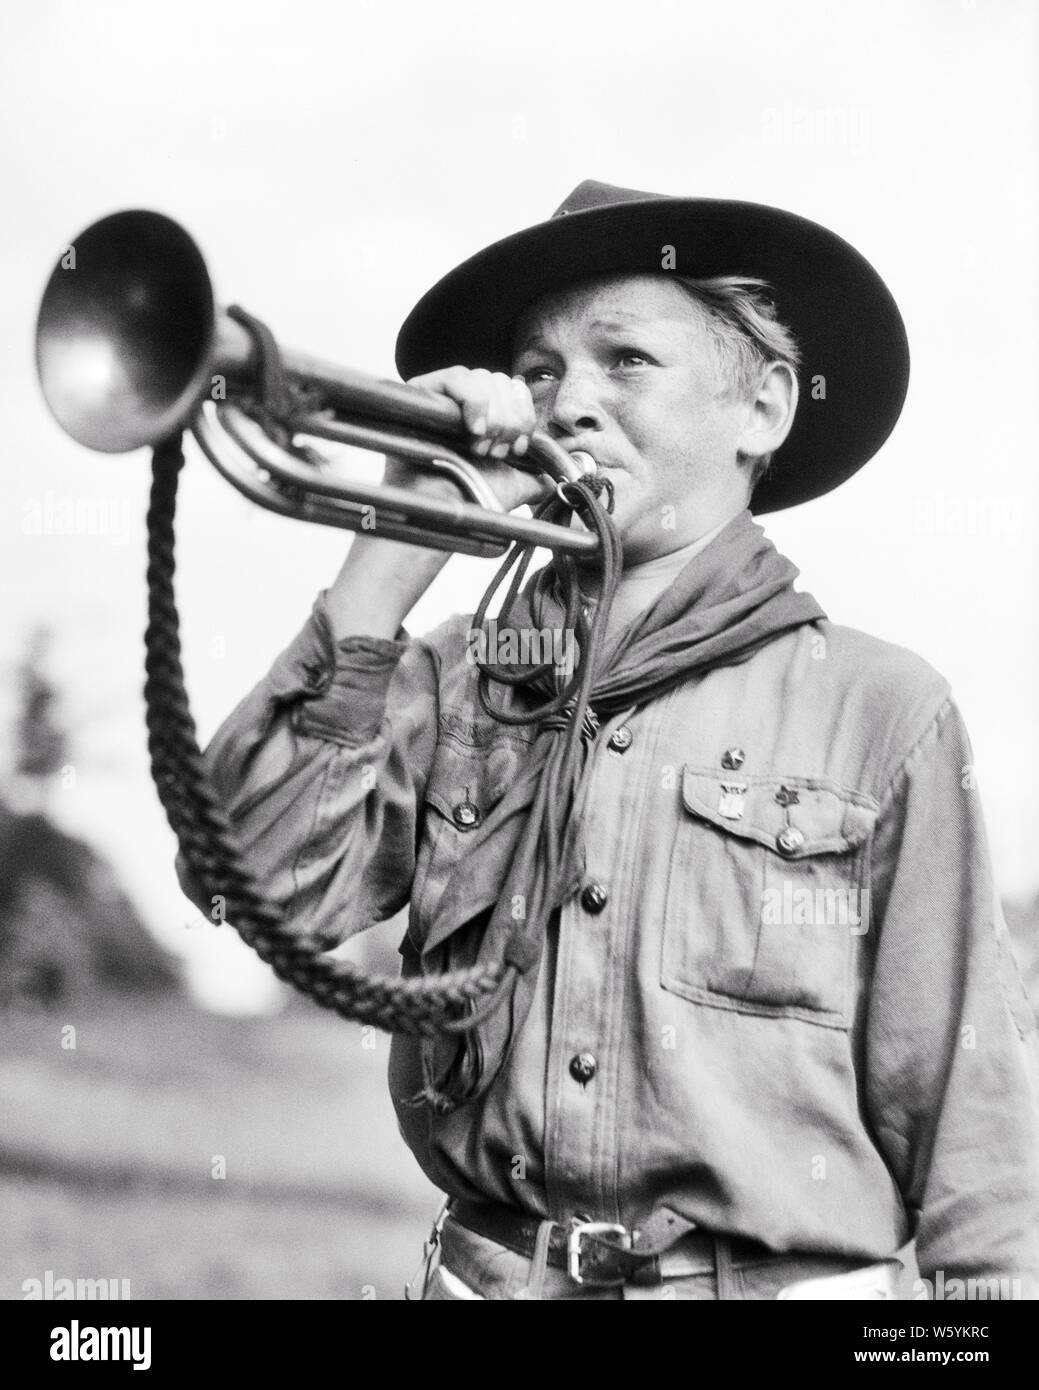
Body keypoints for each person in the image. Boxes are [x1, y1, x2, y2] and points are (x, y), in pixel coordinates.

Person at [177, 180, 1039, 1300]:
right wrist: (395, 538)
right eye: (539, 373)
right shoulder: (450, 676)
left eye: (624, 359)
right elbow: (248, 887)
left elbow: (972, 1126)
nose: (566, 402)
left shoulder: (884, 708)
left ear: (764, 408)